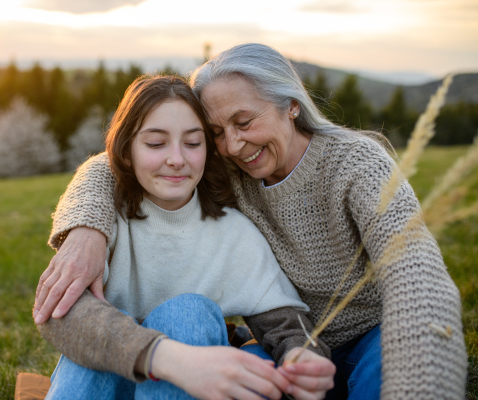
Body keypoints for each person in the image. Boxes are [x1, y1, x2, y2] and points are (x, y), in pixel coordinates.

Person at [34, 44, 468, 399]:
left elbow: (418, 277)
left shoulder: (356, 165)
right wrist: (86, 229)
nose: (235, 146)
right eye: (218, 132)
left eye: (244, 122)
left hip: (368, 333)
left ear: (291, 105)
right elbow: (122, 160)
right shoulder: (225, 167)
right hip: (276, 344)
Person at [38, 75, 335, 400]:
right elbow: (60, 313)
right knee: (98, 339)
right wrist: (167, 358)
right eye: (155, 143)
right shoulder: (100, 220)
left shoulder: (233, 233)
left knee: (187, 312)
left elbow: (285, 324)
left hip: (186, 384)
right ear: (126, 153)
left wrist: (301, 356)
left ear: (208, 152)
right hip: (110, 381)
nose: (177, 159)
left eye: (192, 143)